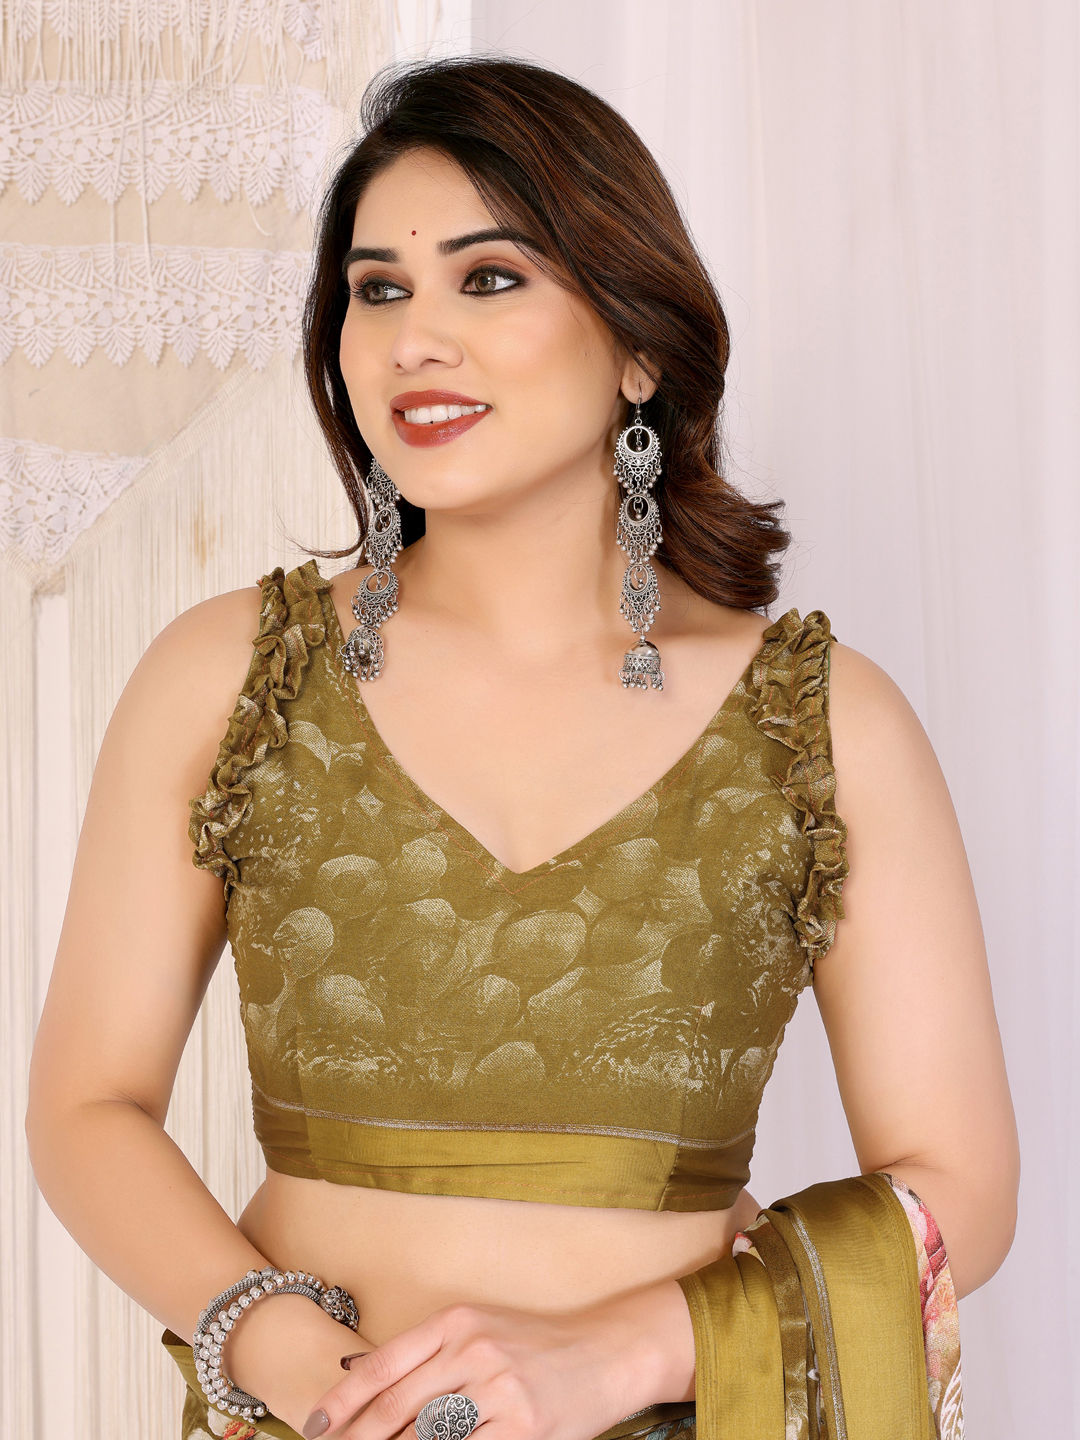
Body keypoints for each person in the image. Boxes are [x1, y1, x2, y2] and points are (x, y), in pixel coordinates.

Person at [26, 54, 1017, 1440]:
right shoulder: (231, 677)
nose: (414, 340)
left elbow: (957, 1189)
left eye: (487, 279)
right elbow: (87, 1104)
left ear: (639, 344)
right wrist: (301, 1365)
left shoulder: (821, 722)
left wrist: (608, 1357)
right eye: (378, 290)